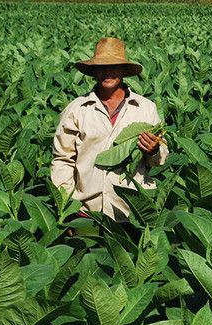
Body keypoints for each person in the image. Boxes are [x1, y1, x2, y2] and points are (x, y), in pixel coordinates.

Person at [51, 37, 168, 222]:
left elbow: (159, 159)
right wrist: (67, 207)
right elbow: (63, 160)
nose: (107, 71)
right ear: (94, 71)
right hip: (86, 211)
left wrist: (153, 150)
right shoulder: (78, 109)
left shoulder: (145, 108)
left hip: (132, 213)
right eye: (101, 66)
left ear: (123, 70)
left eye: (113, 66)